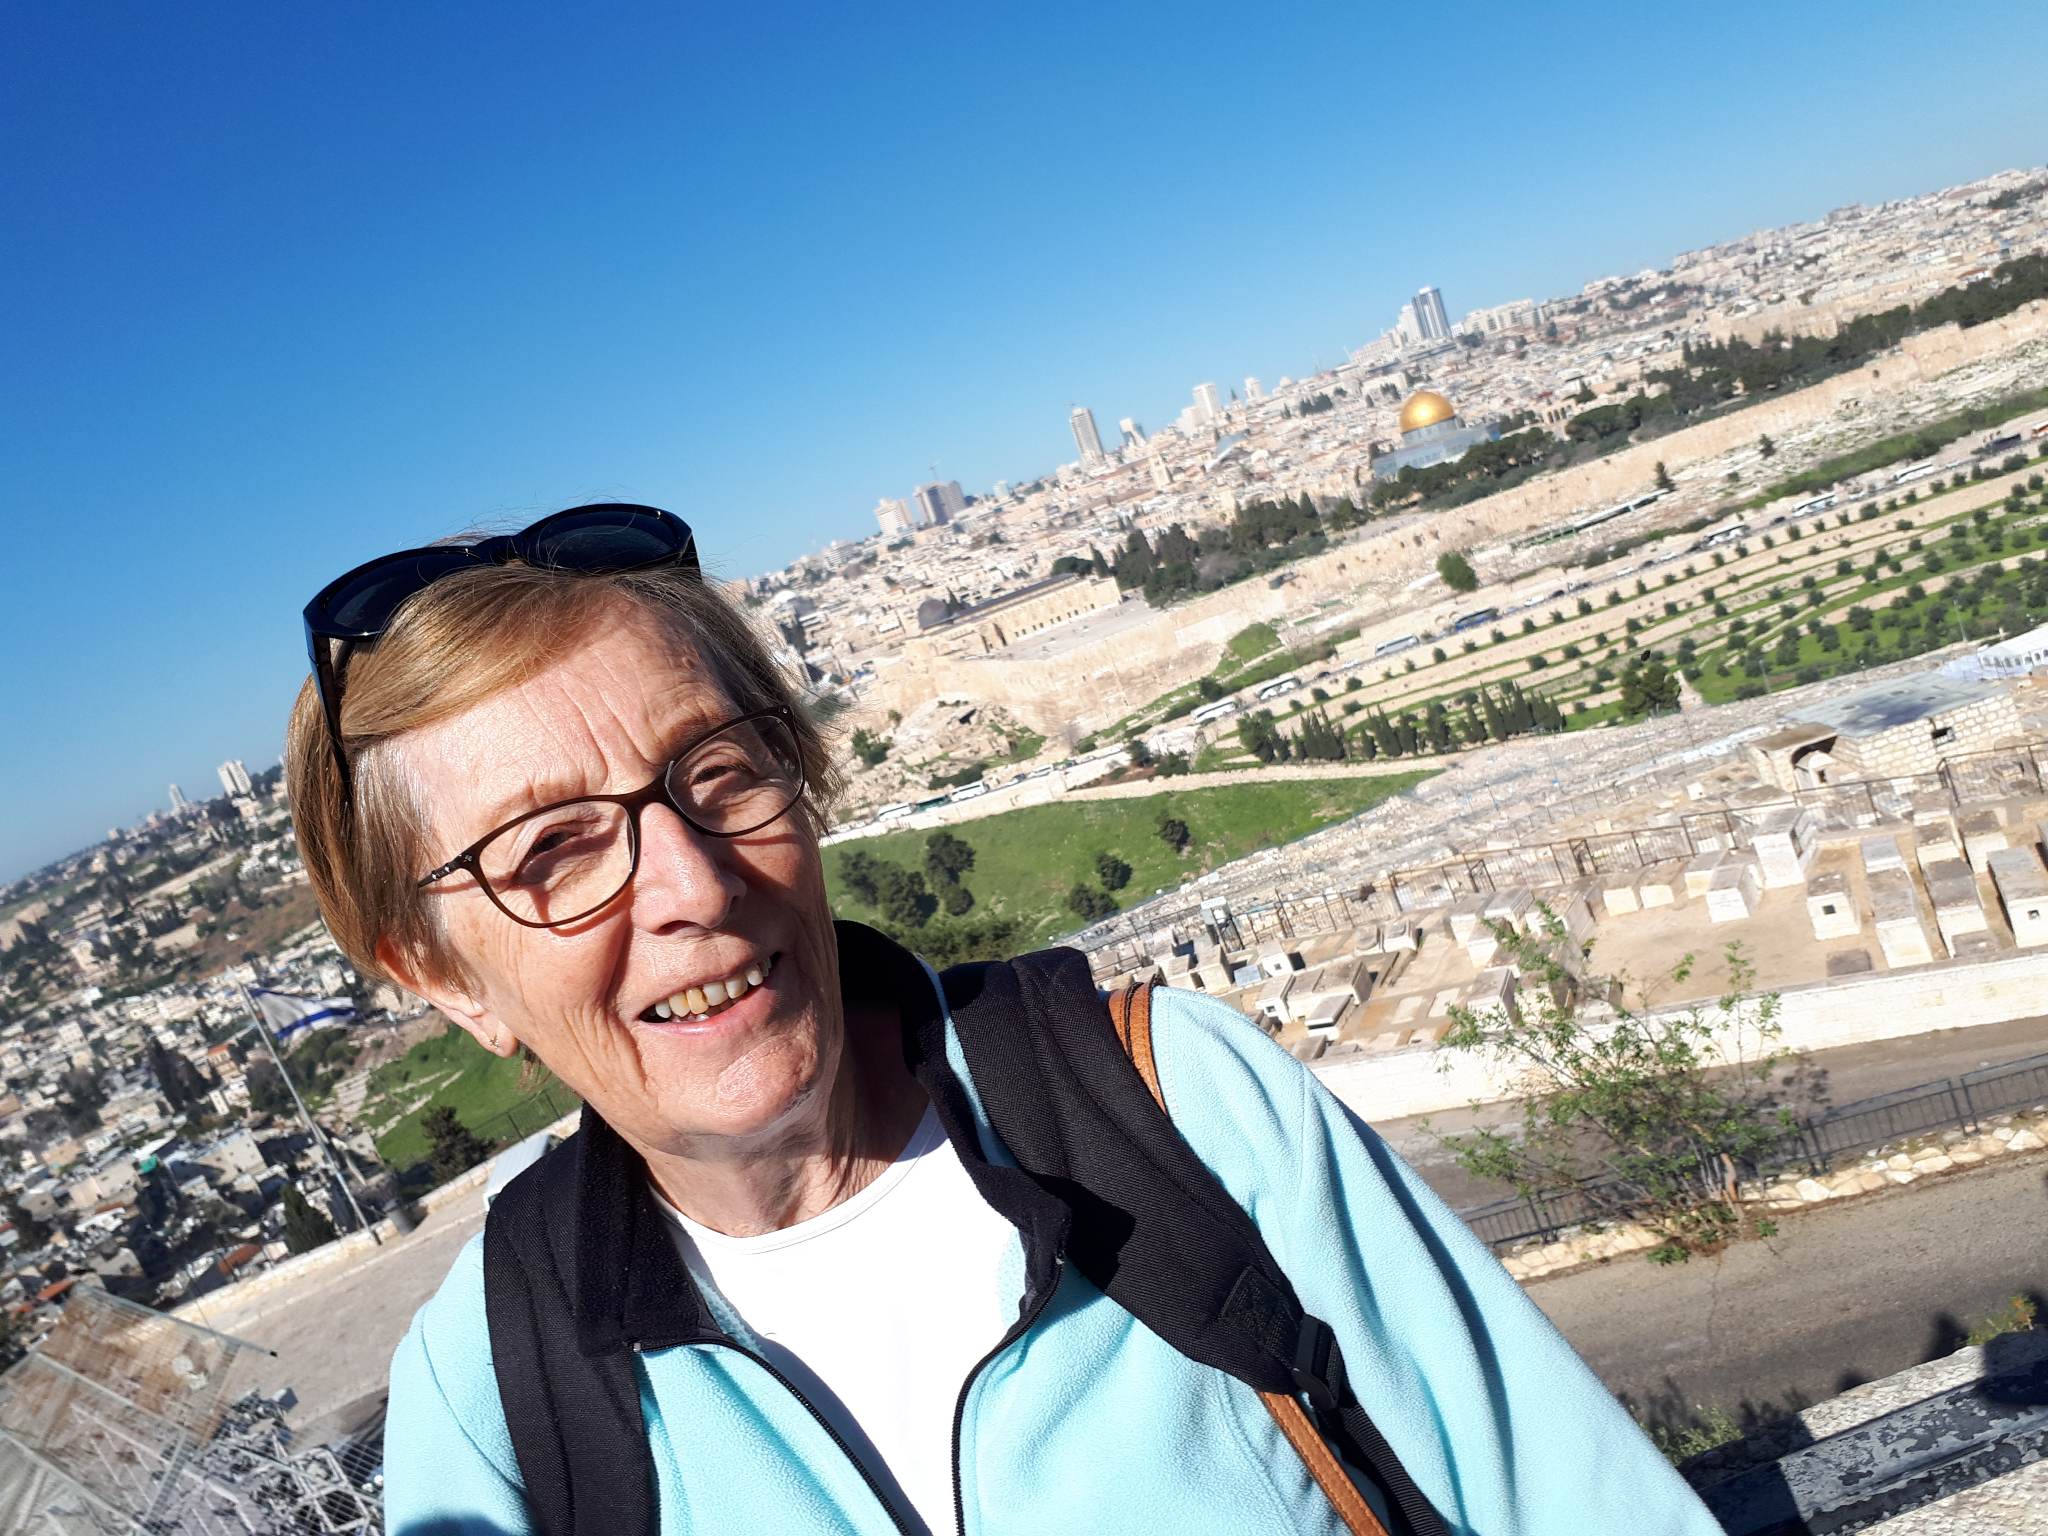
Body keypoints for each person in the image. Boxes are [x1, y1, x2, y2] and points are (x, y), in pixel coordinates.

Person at [285, 504, 1720, 1535]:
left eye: (719, 775)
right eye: (552, 851)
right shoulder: (493, 1383)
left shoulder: (1169, 1107)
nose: (691, 885)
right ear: (442, 976)